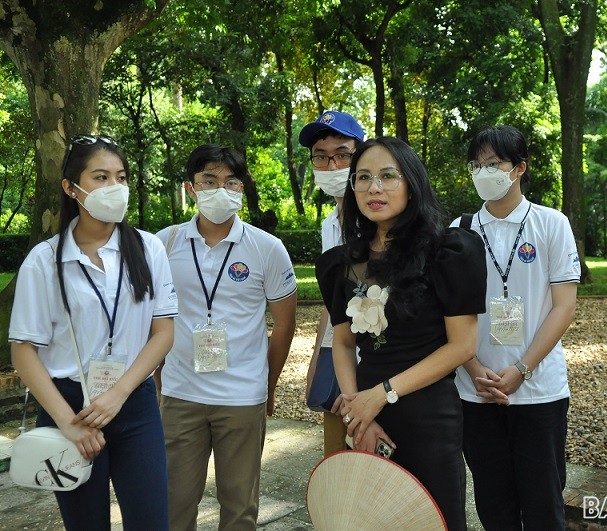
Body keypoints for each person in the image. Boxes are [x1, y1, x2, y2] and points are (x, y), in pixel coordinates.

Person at [315, 136, 487, 530]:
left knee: (434, 520)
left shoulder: (448, 251)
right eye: (363, 177)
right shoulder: (340, 264)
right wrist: (356, 411)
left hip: (427, 415)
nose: (374, 188)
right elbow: (342, 343)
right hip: (365, 413)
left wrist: (383, 394)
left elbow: (462, 345)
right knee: (371, 520)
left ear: (411, 183)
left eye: (388, 176)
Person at [9, 135, 177, 530]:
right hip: (69, 407)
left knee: (152, 520)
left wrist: (118, 395)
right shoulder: (45, 260)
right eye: (100, 177)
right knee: (85, 524)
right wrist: (68, 422)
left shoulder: (148, 248)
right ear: (71, 187)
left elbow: (163, 332)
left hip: (133, 404)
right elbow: (23, 350)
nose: (113, 188)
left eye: (121, 177)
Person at [156, 144, 297, 531]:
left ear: (242, 188)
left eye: (231, 182)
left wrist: (267, 384)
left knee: (239, 507)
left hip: (241, 396)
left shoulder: (267, 248)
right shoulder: (163, 244)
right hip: (181, 394)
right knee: (173, 503)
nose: (220, 189)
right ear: (191, 187)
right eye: (209, 180)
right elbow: (153, 320)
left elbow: (284, 324)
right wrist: (158, 380)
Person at [453, 125, 580, 530]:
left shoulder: (551, 224)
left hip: (539, 390)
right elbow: (448, 312)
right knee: (494, 505)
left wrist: (522, 369)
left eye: (493, 164)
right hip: (476, 390)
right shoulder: (459, 230)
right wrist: (475, 370)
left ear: (519, 168)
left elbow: (564, 307)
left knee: (544, 504)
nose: (482, 172)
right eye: (475, 165)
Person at [299, 110, 364, 456]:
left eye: (342, 154)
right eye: (321, 157)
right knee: (336, 450)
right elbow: (331, 300)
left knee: (372, 452)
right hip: (337, 348)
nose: (332, 165)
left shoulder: (377, 221)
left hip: (376, 356)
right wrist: (316, 358)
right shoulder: (329, 225)